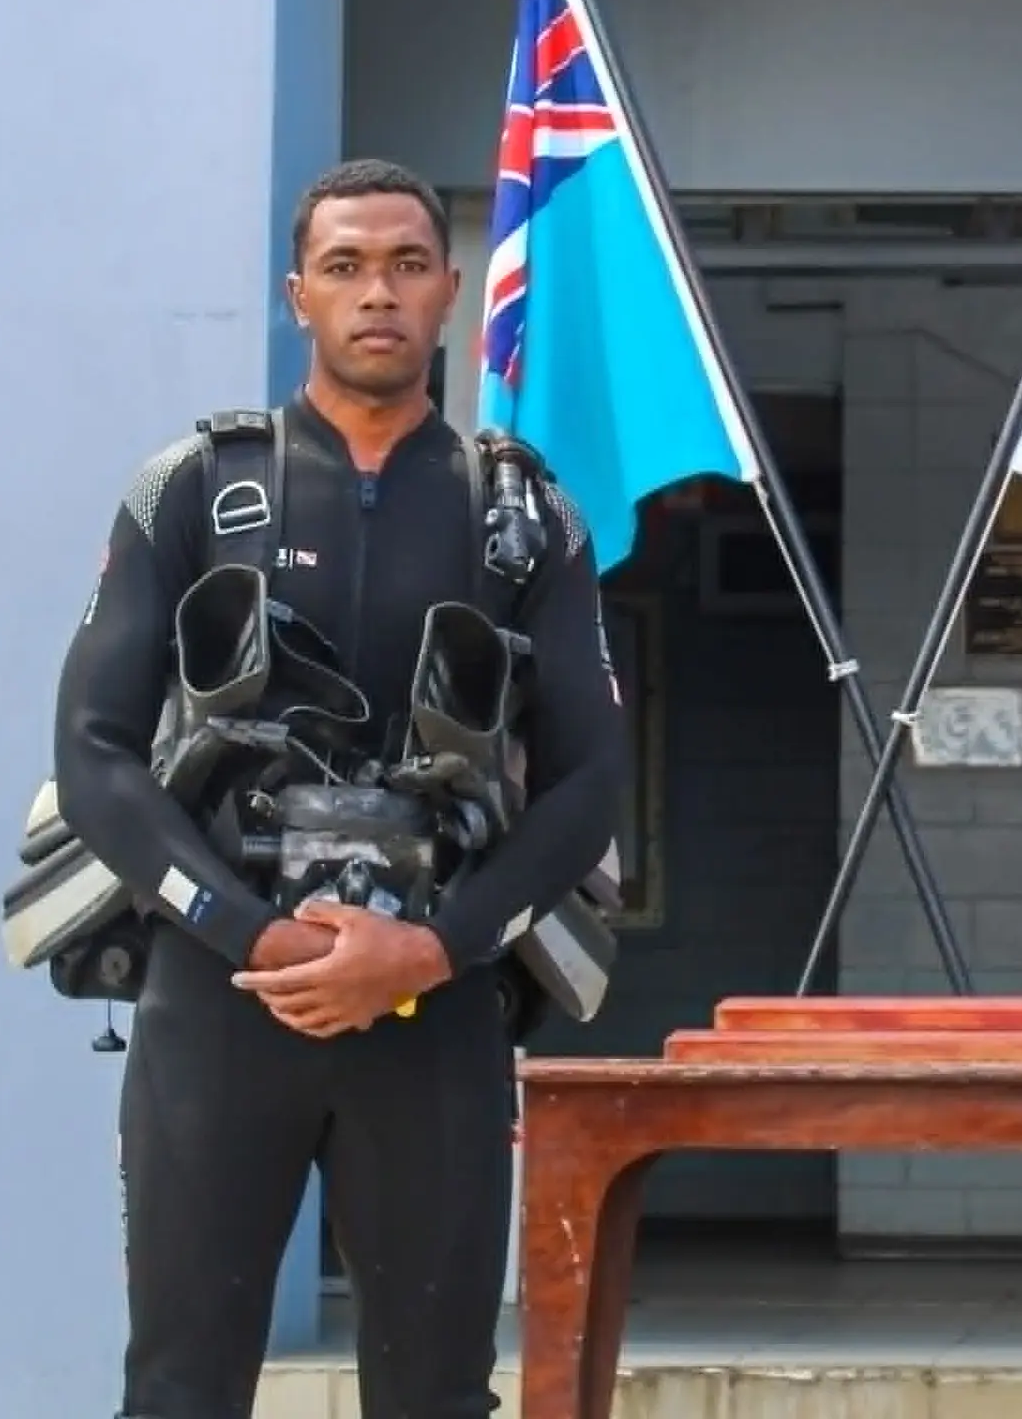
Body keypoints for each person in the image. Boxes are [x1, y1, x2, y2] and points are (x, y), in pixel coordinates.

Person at [51, 158, 629, 1419]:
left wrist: (433, 949)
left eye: (409, 265)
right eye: (348, 267)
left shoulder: (522, 515)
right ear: (298, 294)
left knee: (433, 1392)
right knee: (180, 1388)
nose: (381, 293)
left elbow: (590, 779)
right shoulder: (192, 489)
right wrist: (249, 931)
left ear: (451, 291)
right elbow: (93, 753)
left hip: (433, 1006)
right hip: (220, 991)